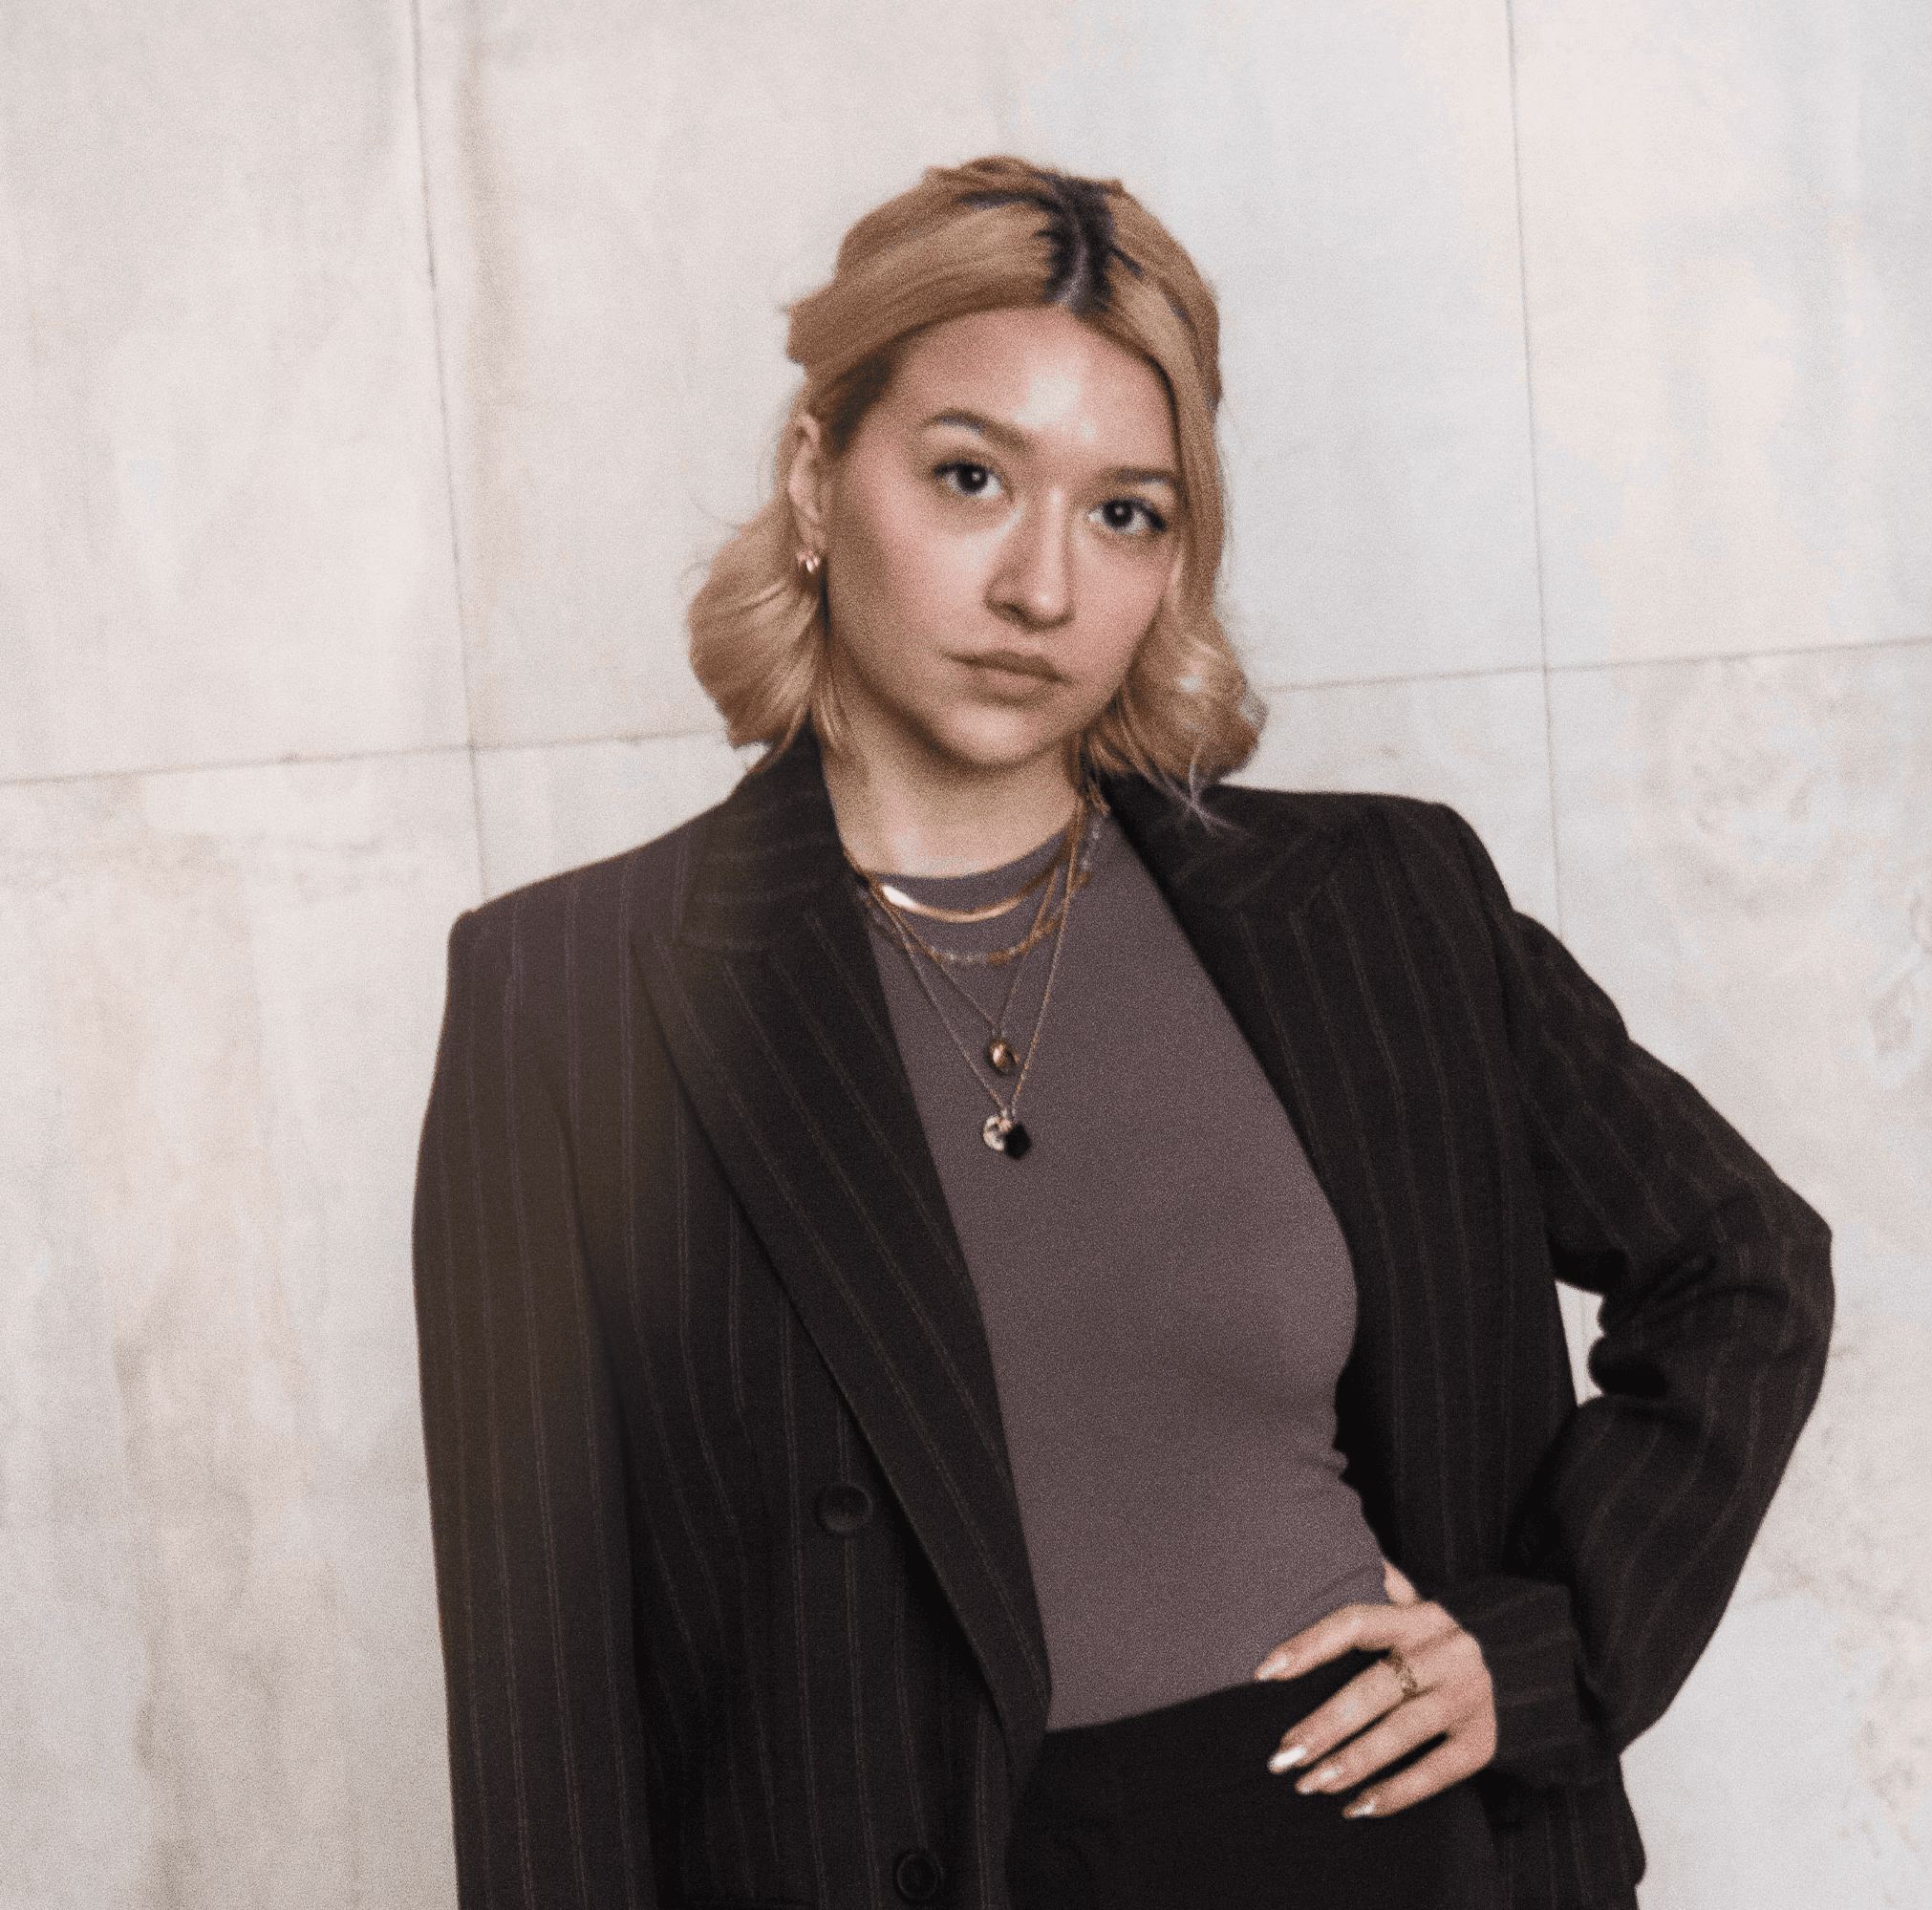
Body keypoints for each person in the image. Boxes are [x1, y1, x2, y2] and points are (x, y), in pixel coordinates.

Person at [411, 157, 1833, 1910]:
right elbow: (541, 1702)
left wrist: (1544, 1648)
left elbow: (1742, 1259)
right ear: (814, 479)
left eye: (1125, 514)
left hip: (1387, 1866)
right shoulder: (569, 996)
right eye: (969, 477)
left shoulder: (1376, 908)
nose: (1041, 587)